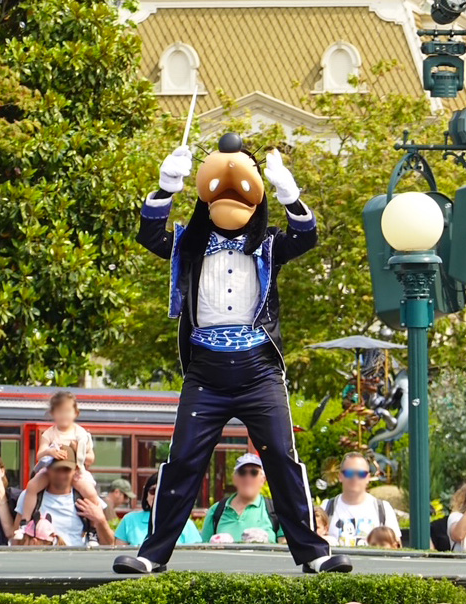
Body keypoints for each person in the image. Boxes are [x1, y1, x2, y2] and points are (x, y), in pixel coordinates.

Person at [114, 135, 350, 575]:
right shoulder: (190, 246)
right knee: (184, 460)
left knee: (280, 456)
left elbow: (308, 235)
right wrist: (166, 187)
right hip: (205, 373)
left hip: (259, 370)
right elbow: (150, 234)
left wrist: (288, 192)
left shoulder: (268, 245)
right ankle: (152, 554)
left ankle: (313, 553)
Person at [20, 392, 100, 526]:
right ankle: (25, 521)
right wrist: (49, 451)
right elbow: (40, 455)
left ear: (76, 413)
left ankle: (92, 529)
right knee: (32, 486)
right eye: (60, 411)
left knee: (91, 493)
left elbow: (91, 459)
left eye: (68, 411)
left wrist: (78, 452)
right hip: (51, 472)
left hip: (76, 472)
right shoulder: (49, 433)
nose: (64, 415)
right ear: (53, 413)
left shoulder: (81, 434)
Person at [14, 444, 114, 547]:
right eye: (57, 469)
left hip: (77, 560)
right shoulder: (29, 496)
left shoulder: (87, 497)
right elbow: (16, 541)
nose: (61, 475)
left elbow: (109, 543)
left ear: (75, 469)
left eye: (66, 470)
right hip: (42, 560)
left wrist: (100, 520)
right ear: (47, 469)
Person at [322, 453, 401, 547]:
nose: (355, 478)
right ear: (340, 476)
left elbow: (396, 549)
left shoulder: (383, 509)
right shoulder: (326, 507)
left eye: (361, 474)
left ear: (368, 478)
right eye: (349, 473)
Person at [200, 454, 283, 544]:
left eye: (254, 473)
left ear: (263, 479)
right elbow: (203, 549)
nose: (248, 478)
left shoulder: (276, 510)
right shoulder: (216, 510)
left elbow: (285, 548)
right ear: (234, 478)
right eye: (242, 472)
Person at [115, 473, 200, 546]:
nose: (158, 496)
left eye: (163, 491)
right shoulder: (129, 521)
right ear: (146, 494)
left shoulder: (186, 524)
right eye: (153, 491)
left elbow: (194, 558)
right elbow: (119, 556)